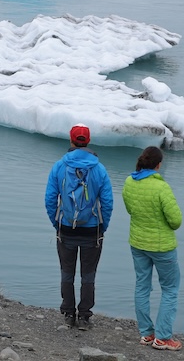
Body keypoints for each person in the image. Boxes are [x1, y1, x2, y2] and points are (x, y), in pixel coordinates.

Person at [45, 124, 113, 329]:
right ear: (88, 141)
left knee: (67, 272)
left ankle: (68, 313)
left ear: (71, 140)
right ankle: (84, 317)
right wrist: (103, 227)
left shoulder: (59, 166)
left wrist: (57, 223)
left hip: (66, 228)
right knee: (88, 275)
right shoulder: (99, 169)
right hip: (92, 230)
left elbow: (50, 199)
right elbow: (107, 202)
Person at [123, 146, 184, 351]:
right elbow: (175, 221)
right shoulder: (162, 188)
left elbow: (130, 209)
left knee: (142, 286)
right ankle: (163, 337)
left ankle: (146, 334)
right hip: (162, 247)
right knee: (170, 289)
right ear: (158, 165)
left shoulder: (129, 182)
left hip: (138, 243)